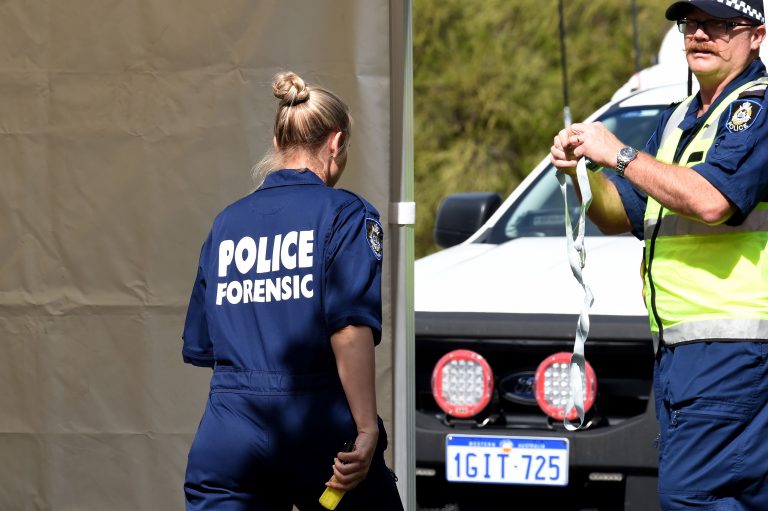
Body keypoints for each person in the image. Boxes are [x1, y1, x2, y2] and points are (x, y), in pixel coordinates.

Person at [551, 1, 768, 509]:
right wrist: (579, 170)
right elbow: (618, 213)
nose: (701, 35)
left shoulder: (756, 109)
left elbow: (712, 200)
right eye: (693, 24)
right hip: (685, 353)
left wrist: (619, 153)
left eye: (719, 25)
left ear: (756, 36)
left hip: (732, 351)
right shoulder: (676, 121)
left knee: (691, 498)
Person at [181, 71, 403, 511]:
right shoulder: (346, 214)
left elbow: (204, 345)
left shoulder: (226, 223)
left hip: (229, 435)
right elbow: (349, 327)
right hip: (317, 427)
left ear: (278, 142)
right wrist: (366, 429)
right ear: (335, 143)